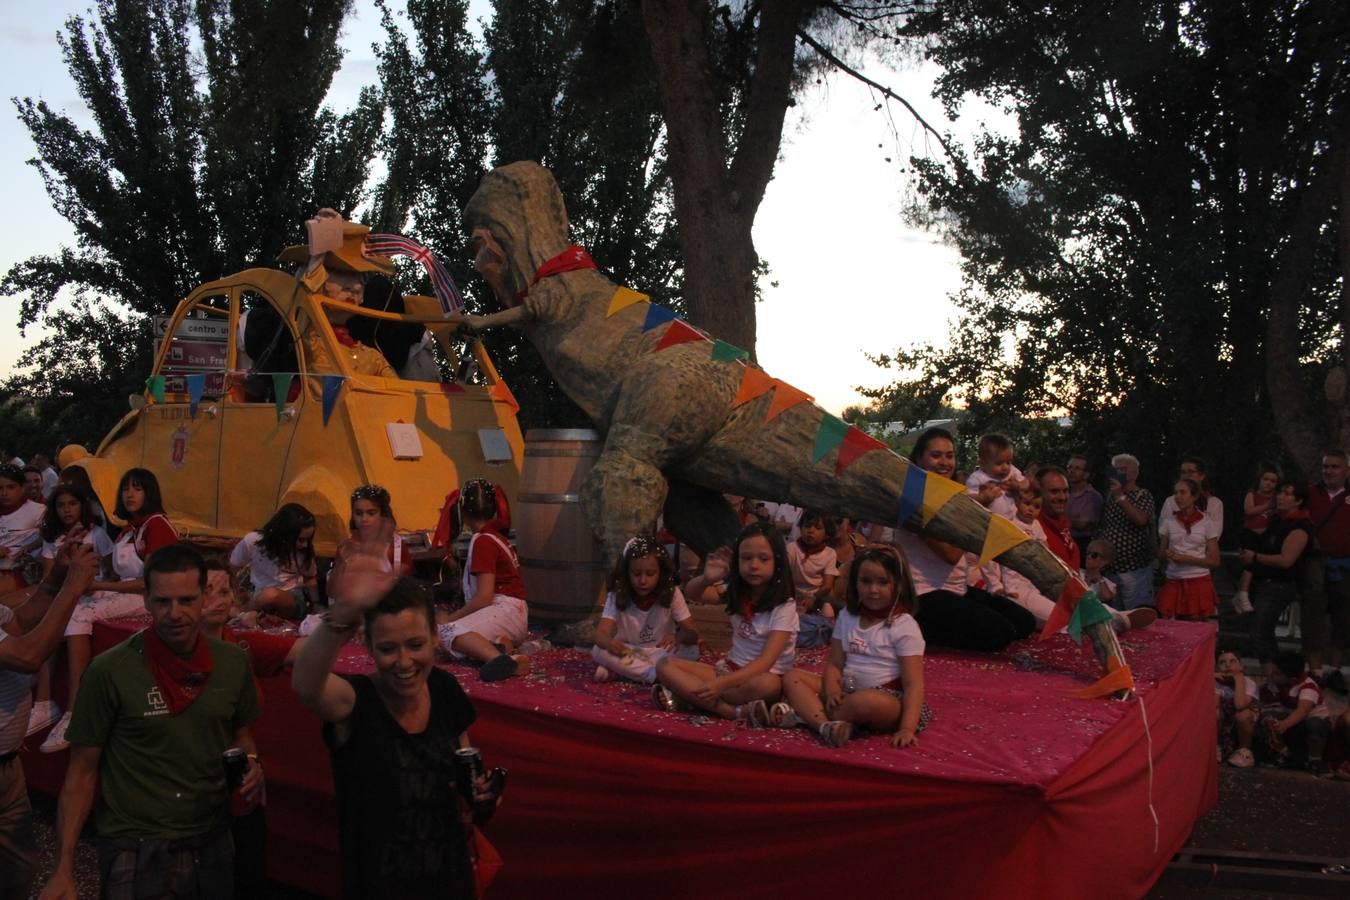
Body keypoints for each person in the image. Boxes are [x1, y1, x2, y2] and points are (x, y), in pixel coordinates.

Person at [38, 544, 263, 900]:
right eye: (162, 602)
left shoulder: (233, 663)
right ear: (145, 600)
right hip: (135, 842)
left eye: (187, 601)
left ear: (204, 598)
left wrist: (251, 763)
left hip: (211, 837)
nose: (175, 613)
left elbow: (241, 735)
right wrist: (63, 868)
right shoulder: (109, 670)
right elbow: (81, 772)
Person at [291, 526, 501, 899]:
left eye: (416, 645)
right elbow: (306, 684)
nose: (404, 662)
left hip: (449, 882)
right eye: (388, 648)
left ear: (436, 639)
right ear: (368, 646)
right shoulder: (357, 702)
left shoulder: (445, 689)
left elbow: (464, 775)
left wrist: (482, 796)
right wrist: (344, 614)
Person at [40, 467, 178, 753]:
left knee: (79, 613)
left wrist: (102, 587)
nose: (129, 494)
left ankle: (74, 708)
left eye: (137, 488)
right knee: (65, 606)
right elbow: (116, 576)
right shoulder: (128, 530)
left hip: (153, 598)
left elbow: (154, 581)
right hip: (126, 591)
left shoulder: (158, 526)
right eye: (126, 488)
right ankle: (43, 701)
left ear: (149, 492)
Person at [0, 539, 98, 900]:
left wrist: (54, 579)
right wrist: (73, 587)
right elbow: (29, 653)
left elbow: (20, 621)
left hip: (8, 767)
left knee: (17, 874)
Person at [893, 428, 1037, 652]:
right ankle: (916, 630)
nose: (944, 462)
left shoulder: (954, 493)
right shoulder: (913, 498)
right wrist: (979, 509)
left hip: (956, 588)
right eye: (936, 455)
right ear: (919, 458)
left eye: (949, 455)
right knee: (1001, 633)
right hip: (923, 595)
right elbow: (950, 554)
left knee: (1024, 622)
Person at [777, 543, 931, 747]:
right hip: (846, 691)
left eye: (883, 582)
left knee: (865, 701)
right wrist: (831, 690)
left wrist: (907, 728)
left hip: (886, 699)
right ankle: (826, 726)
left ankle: (803, 713)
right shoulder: (847, 616)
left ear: (899, 585)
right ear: (855, 584)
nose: (873, 590)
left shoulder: (904, 626)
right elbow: (835, 663)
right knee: (791, 676)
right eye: (865, 581)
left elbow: (913, 684)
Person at [653, 521, 799, 722]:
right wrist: (707, 578)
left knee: (769, 684)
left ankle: (692, 697)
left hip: (759, 678)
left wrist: (721, 685)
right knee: (663, 664)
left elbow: (766, 661)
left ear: (778, 562)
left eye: (763, 559)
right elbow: (692, 593)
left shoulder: (785, 605)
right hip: (729, 671)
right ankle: (731, 712)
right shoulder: (738, 592)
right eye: (746, 558)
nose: (754, 565)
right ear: (737, 561)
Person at [26, 485, 115, 737]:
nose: (67, 510)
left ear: (81, 506)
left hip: (91, 594)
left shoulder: (96, 534)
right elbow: (48, 576)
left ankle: (70, 709)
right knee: (47, 619)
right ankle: (43, 702)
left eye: (72, 504)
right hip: (62, 594)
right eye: (61, 505)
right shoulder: (52, 538)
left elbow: (109, 570)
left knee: (64, 619)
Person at [279, 209, 399, 379]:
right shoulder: (310, 344)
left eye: (361, 279)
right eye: (343, 275)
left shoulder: (373, 358)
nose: (356, 286)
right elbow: (304, 308)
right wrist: (317, 260)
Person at [435, 480, 530, 681]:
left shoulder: (483, 541)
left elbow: (484, 598)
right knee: (452, 634)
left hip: (505, 612)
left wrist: (451, 619)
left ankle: (501, 661)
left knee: (443, 633)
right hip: (515, 615)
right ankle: (502, 645)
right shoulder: (494, 536)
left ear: (463, 511)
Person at [591, 535, 700, 683]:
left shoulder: (672, 592)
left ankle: (625, 672)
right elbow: (600, 635)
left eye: (650, 574)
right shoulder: (617, 594)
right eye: (636, 574)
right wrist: (610, 644)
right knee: (598, 651)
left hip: (661, 652)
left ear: (661, 573)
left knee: (691, 650)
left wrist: (677, 637)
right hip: (630, 651)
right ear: (626, 573)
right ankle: (656, 675)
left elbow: (692, 633)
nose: (643, 581)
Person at [1243, 480, 1312, 671]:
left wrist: (1256, 557)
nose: (1282, 497)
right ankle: (1273, 675)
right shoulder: (1276, 521)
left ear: (1298, 501)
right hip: (1265, 581)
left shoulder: (1299, 527)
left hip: (1280, 584)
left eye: (1288, 494)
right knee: (1259, 631)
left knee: (1260, 630)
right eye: (1281, 493)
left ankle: (1276, 675)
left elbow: (1286, 560)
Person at [1303, 450, 1350, 692]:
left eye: (1335, 467)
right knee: (1313, 615)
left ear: (1346, 470)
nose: (1329, 471)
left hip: (1344, 566)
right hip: (1315, 563)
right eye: (1326, 467)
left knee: (1343, 618)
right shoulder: (1311, 494)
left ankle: (1335, 670)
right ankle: (1315, 671)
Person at [229, 503, 319, 620]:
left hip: (291, 599)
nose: (305, 544)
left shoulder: (304, 552)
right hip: (257, 597)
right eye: (301, 539)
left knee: (270, 595)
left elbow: (310, 578)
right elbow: (233, 567)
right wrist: (236, 593)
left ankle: (240, 613)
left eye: (308, 539)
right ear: (284, 534)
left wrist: (316, 606)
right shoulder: (253, 541)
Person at [1255, 651, 1332, 774]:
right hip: (1293, 721)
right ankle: (1284, 754)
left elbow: (1303, 710)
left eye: (1277, 673)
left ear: (1292, 679)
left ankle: (1315, 760)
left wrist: (1284, 724)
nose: (1272, 675)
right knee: (1268, 717)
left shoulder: (1308, 687)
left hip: (1311, 723)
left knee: (1315, 725)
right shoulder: (1276, 684)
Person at [1098, 453, 1157, 609]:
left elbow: (1140, 520)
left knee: (1136, 615)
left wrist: (1120, 496)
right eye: (1115, 470)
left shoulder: (1142, 495)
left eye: (1122, 470)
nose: (1117, 474)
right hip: (1110, 569)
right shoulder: (1109, 496)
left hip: (1134, 570)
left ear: (1135, 473)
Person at [1157, 478, 1221, 620]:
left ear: (1194, 496)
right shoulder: (1169, 522)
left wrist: (1188, 559)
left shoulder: (1206, 522)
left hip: (1197, 580)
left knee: (1195, 627)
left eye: (1182, 492)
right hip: (1174, 579)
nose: (1178, 496)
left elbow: (1215, 560)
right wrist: (1168, 554)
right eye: (1176, 493)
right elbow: (1161, 554)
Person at [1232, 462, 1281, 615]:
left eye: (1273, 481)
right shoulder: (1252, 494)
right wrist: (1268, 506)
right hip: (1250, 533)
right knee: (1249, 564)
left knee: (1258, 564)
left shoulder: (1276, 498)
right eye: (1266, 479)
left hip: (1265, 536)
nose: (1268, 483)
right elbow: (1249, 510)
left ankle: (1246, 595)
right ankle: (1242, 593)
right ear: (1260, 480)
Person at [0, 463, 46, 594]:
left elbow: (51, 537)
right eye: (0, 488)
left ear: (22, 488)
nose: (4, 493)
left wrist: (29, 547)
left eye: (10, 487)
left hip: (21, 576)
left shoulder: (38, 511)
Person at [1159, 456, 1225, 538]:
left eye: (1191, 472)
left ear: (1202, 476)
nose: (1186, 476)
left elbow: (1215, 535)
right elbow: (1163, 531)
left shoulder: (1214, 503)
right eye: (1183, 472)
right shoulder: (1171, 501)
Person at [965, 433, 1024, 520]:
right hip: (990, 522)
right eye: (999, 463)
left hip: (1014, 518)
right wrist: (982, 497)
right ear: (983, 464)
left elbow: (1025, 484)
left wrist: (1018, 485)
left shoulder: (1012, 471)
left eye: (1008, 462)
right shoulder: (976, 478)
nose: (1005, 467)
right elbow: (968, 499)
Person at [1215, 648, 1258, 768]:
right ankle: (1216, 747)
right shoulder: (1217, 682)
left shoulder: (1248, 682)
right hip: (1224, 721)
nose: (1228, 665)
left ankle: (1244, 751)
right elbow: (1214, 705)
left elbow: (1240, 705)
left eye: (1232, 661)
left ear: (1241, 666)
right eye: (1222, 662)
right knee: (1213, 713)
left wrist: (1238, 679)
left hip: (1244, 723)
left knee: (1243, 714)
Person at [1037, 465, 1080, 569]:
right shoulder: (1032, 528)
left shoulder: (1063, 524)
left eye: (1065, 491)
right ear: (1038, 492)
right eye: (1054, 491)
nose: (1062, 497)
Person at [1065, 453, 1104, 550]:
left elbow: (1083, 524)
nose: (1072, 471)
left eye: (1077, 468)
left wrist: (1058, 519)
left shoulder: (1093, 496)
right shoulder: (1063, 492)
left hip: (1082, 545)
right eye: (1070, 467)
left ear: (1086, 475)